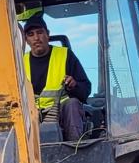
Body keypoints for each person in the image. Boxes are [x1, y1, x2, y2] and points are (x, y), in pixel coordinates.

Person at [22, 12, 92, 141]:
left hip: (61, 115)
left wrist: (74, 85)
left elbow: (85, 89)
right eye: (31, 35)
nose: (36, 38)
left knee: (72, 104)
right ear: (26, 40)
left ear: (47, 34)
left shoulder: (65, 55)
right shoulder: (20, 63)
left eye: (40, 32)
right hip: (32, 117)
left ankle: (75, 148)